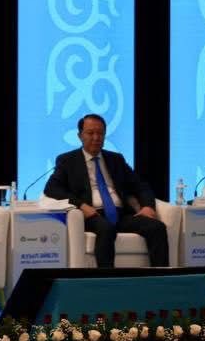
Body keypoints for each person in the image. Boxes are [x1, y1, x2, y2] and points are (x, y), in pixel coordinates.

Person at [44, 113, 169, 269]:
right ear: (80, 136)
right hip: (93, 215)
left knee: (157, 227)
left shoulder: (116, 159)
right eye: (90, 133)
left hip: (120, 215)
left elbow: (140, 185)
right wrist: (81, 205)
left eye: (100, 133)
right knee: (106, 229)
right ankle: (107, 279)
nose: (96, 138)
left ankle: (161, 277)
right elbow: (52, 188)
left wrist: (148, 206)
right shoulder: (68, 160)